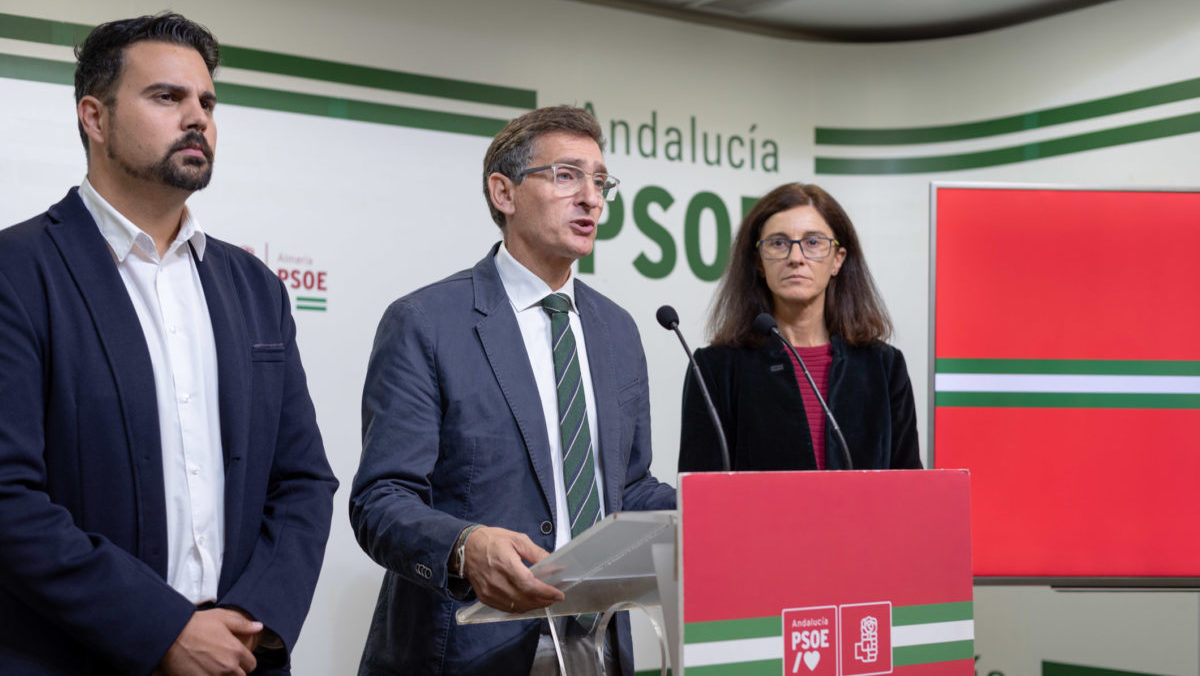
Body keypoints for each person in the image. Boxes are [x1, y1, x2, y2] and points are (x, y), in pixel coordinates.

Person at [0, 14, 337, 675]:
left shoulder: (256, 288)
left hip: (238, 655)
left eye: (207, 102)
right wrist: (163, 631)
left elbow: (302, 480)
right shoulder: (18, 272)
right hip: (73, 656)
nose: (197, 118)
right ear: (94, 118)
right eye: (166, 97)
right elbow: (9, 497)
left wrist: (254, 621)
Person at [350, 105, 676, 676]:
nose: (591, 199)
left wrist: (708, 515)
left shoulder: (617, 329)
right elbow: (382, 500)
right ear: (504, 192)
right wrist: (465, 546)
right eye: (567, 176)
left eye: (600, 181)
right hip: (468, 650)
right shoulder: (426, 322)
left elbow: (626, 488)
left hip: (597, 649)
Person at [678, 182, 921, 472]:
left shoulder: (883, 366)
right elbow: (701, 490)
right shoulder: (714, 369)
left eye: (813, 242)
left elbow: (909, 484)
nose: (796, 258)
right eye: (778, 243)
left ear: (837, 260)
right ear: (759, 262)